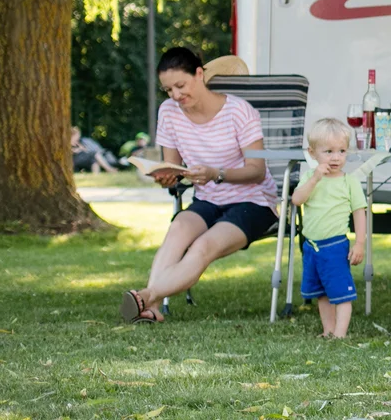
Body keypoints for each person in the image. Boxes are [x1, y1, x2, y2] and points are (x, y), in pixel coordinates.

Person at [119, 47, 279, 323]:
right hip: (208, 198)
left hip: (253, 201)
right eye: (168, 90)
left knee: (202, 247)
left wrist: (216, 173)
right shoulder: (169, 112)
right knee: (178, 229)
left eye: (180, 85)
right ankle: (152, 309)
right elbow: (173, 166)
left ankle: (146, 296)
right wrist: (168, 176)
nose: (175, 96)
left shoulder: (240, 112)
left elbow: (256, 171)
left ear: (199, 74)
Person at [290, 118, 369, 338]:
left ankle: (340, 333)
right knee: (322, 293)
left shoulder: (348, 181)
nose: (336, 157)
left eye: (341, 151)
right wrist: (315, 178)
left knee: (341, 292)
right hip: (312, 246)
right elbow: (297, 199)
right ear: (313, 153)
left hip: (335, 245)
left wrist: (360, 242)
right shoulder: (310, 177)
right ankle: (328, 330)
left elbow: (359, 211)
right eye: (328, 151)